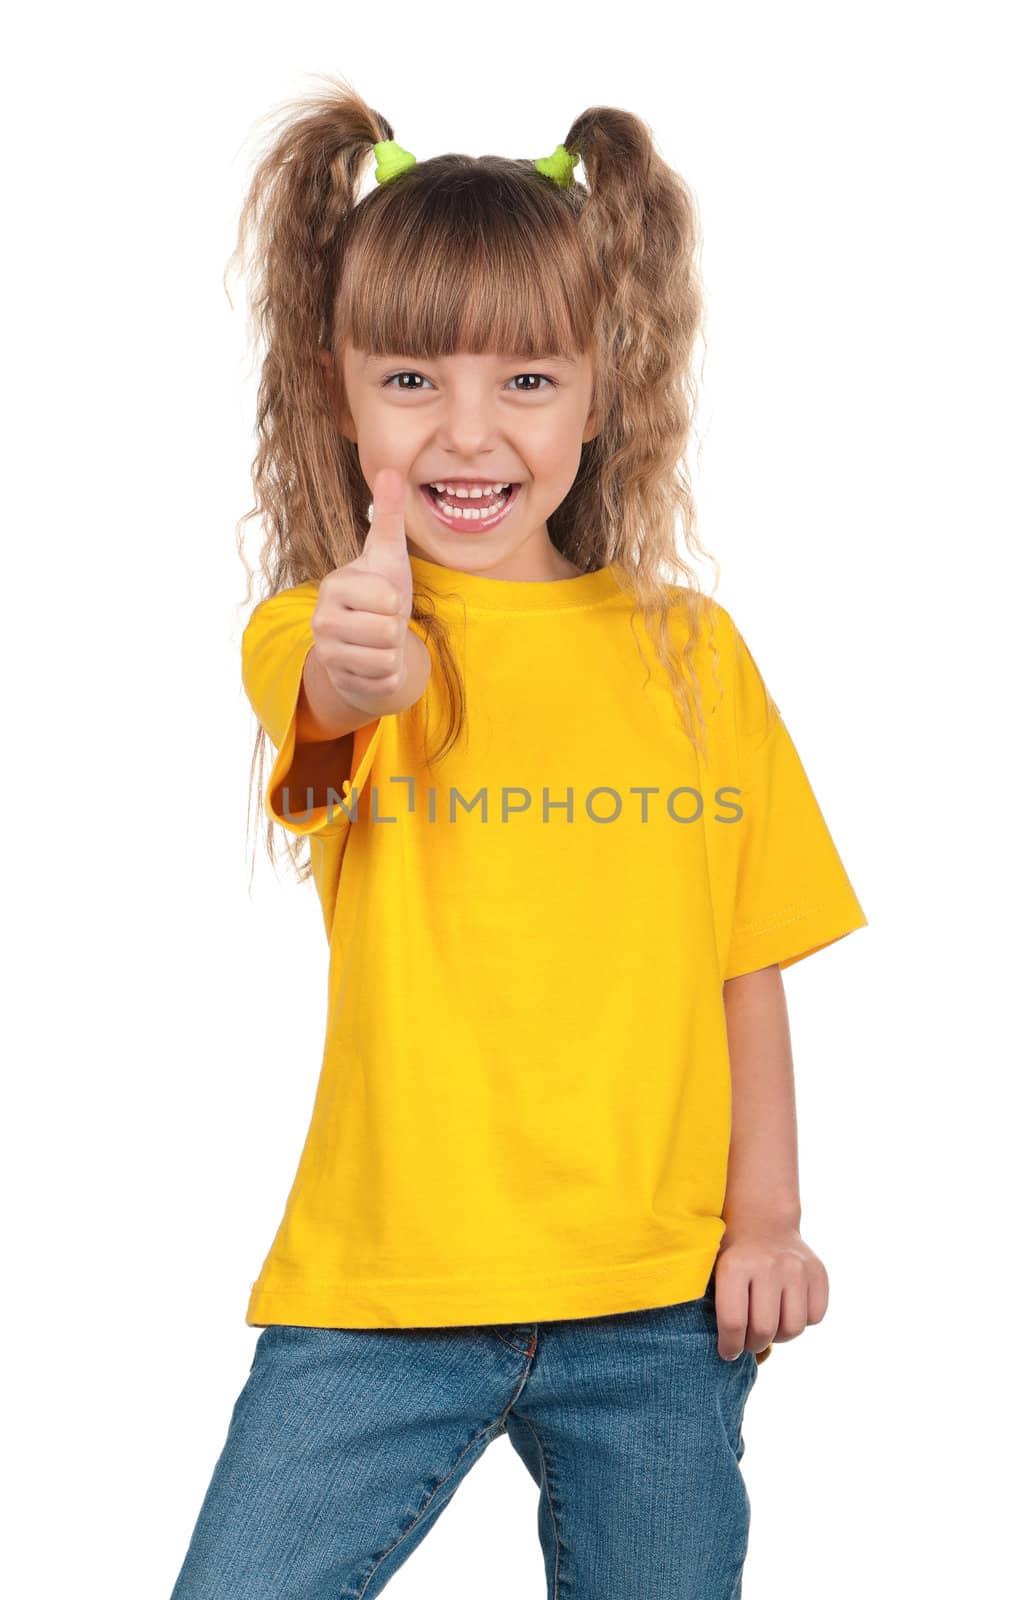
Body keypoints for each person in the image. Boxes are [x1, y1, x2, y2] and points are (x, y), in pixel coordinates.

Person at [170, 73, 867, 1600]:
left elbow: (743, 962)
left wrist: (769, 1221)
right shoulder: (324, 627)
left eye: (527, 382)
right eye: (409, 381)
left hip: (661, 1311)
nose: (466, 432)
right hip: (384, 1293)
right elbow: (338, 696)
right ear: (336, 393)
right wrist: (369, 661)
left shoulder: (693, 656)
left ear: (604, 390)